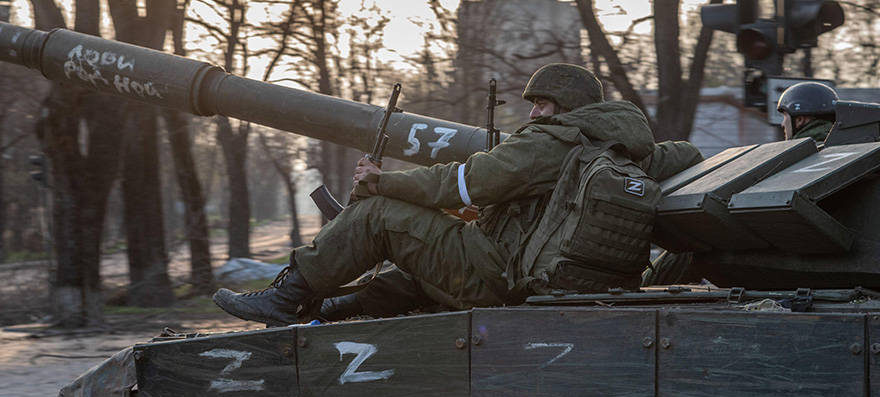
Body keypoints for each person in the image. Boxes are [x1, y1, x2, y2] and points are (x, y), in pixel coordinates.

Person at [213, 63, 702, 326]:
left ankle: (286, 297)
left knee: (379, 217)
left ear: (567, 107)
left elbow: (463, 181)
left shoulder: (551, 142)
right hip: (549, 277)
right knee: (427, 256)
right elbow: (685, 155)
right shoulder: (621, 150)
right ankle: (331, 308)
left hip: (506, 277)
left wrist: (382, 182)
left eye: (543, 104)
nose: (533, 115)